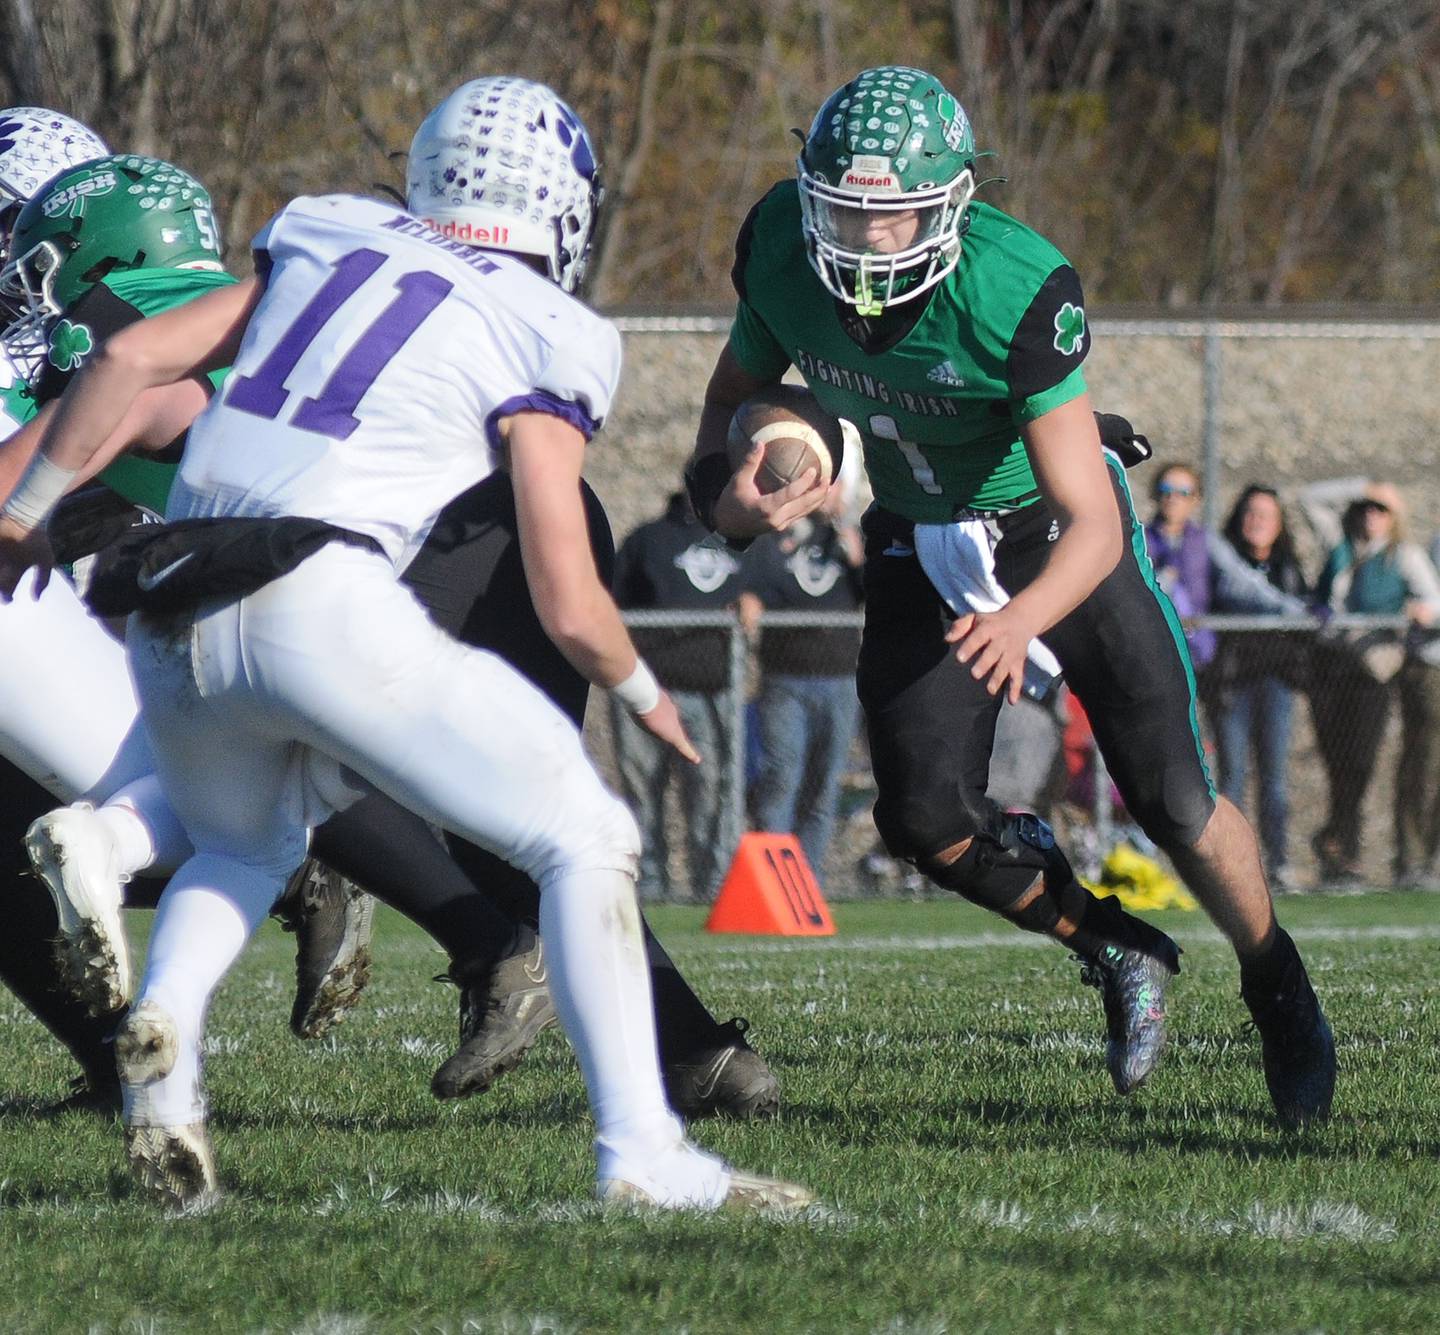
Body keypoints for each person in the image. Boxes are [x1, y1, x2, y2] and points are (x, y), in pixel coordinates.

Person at [0, 78, 808, 1211]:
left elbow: (129, 365)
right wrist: (639, 690)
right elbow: (565, 585)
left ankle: (167, 1067)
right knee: (584, 836)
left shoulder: (327, 229)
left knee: (246, 848)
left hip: (171, 595)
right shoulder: (552, 325)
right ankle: (647, 1155)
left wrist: (25, 510)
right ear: (560, 204)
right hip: (315, 589)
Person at [684, 64, 1334, 1127]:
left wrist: (1021, 617)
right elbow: (731, 403)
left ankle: (1278, 984)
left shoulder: (1013, 285)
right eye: (842, 209)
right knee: (922, 818)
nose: (861, 238)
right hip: (910, 528)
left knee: (1173, 798)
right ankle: (1118, 946)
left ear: (951, 206)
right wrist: (736, 497)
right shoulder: (780, 252)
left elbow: (1093, 519)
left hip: (1044, 537)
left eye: (891, 217)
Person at [609, 490, 745, 901]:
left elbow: (770, 588)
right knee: (642, 788)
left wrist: (755, 601)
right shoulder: (647, 540)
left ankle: (712, 885)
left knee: (709, 789)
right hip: (648, 690)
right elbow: (610, 604)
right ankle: (649, 883)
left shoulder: (743, 544)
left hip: (712, 692)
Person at [1303, 481, 1440, 885]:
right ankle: (1338, 847)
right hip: (1331, 668)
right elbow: (1311, 499)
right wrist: (1364, 485)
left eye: (1381, 509)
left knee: (1359, 765)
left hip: (1370, 673)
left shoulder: (1404, 556)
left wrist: (1422, 611)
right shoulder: (1341, 546)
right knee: (1335, 763)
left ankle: (1347, 850)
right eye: (1366, 507)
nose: (1371, 515)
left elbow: (1432, 600)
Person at [738, 485, 863, 879]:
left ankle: (807, 882)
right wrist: (749, 601)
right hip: (785, 679)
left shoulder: (848, 537)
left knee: (823, 786)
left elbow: (868, 587)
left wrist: (851, 544)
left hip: (839, 680)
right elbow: (752, 584)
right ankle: (774, 879)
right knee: (781, 775)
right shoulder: (774, 539)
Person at [1209, 486, 1312, 892]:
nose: (1257, 522)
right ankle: (1228, 865)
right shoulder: (1224, 564)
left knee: (1274, 777)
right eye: (1250, 513)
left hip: (1274, 681)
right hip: (1233, 681)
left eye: (1266, 515)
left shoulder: (1288, 568)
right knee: (1231, 776)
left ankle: (1279, 861)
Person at [1144, 463, 1216, 675]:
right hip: (1152, 648)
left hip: (1198, 651)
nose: (1172, 498)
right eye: (1166, 490)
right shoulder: (1138, 540)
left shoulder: (1205, 542)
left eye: (1183, 492)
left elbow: (1239, 581)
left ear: (1196, 499)